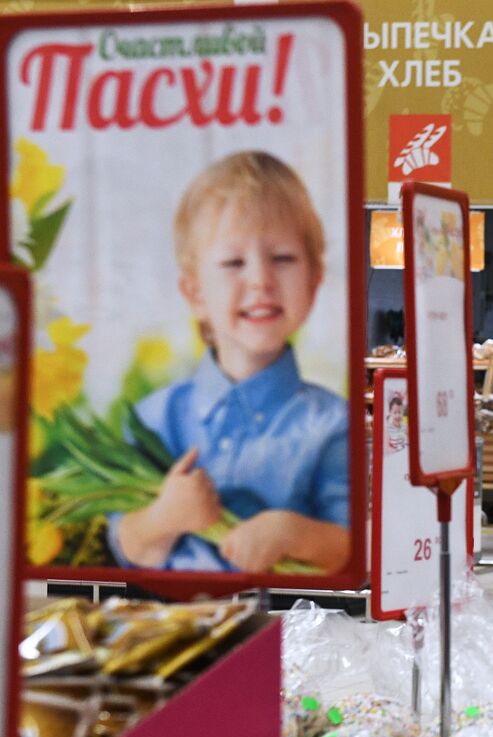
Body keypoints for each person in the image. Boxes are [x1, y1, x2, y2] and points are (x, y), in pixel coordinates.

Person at [110, 150, 351, 574]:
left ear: (315, 280)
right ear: (195, 293)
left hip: (293, 631)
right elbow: (129, 545)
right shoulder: (154, 418)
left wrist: (289, 532)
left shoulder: (332, 423)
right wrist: (164, 518)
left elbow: (348, 546)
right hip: (172, 629)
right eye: (233, 262)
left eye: (282, 258)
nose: (260, 279)